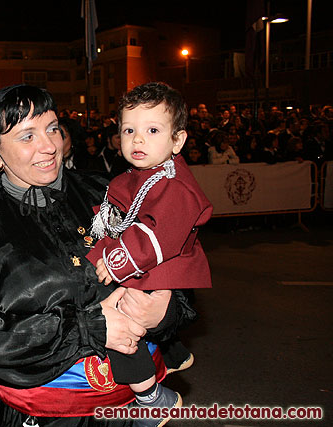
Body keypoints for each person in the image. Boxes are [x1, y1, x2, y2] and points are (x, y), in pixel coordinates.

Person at [0, 84, 196, 426]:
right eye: (26, 136)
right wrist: (88, 328)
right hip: (44, 416)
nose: (49, 146)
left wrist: (164, 310)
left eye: (51, 129)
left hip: (130, 411)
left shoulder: (110, 191)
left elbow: (177, 268)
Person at [86, 82, 213, 426]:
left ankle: (152, 397)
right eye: (129, 130)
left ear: (178, 141)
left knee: (118, 323)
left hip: (161, 268)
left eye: (152, 130)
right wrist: (94, 256)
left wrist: (112, 263)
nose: (138, 139)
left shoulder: (174, 184)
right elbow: (110, 223)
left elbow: (156, 238)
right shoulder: (133, 176)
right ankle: (173, 352)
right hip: (145, 265)